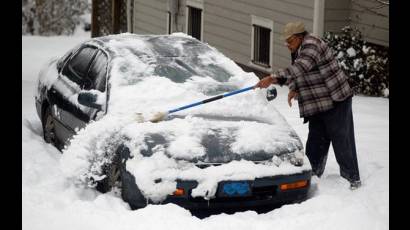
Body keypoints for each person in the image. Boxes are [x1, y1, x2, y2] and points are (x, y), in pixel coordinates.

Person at [255, 22, 361, 190]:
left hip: (335, 99)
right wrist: (294, 89)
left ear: (299, 37)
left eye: (289, 41)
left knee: (342, 141)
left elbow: (301, 67)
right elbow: (303, 74)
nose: (287, 45)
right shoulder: (298, 49)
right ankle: (312, 175)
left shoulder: (312, 44)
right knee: (316, 140)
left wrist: (272, 78)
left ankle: (352, 179)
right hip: (318, 102)